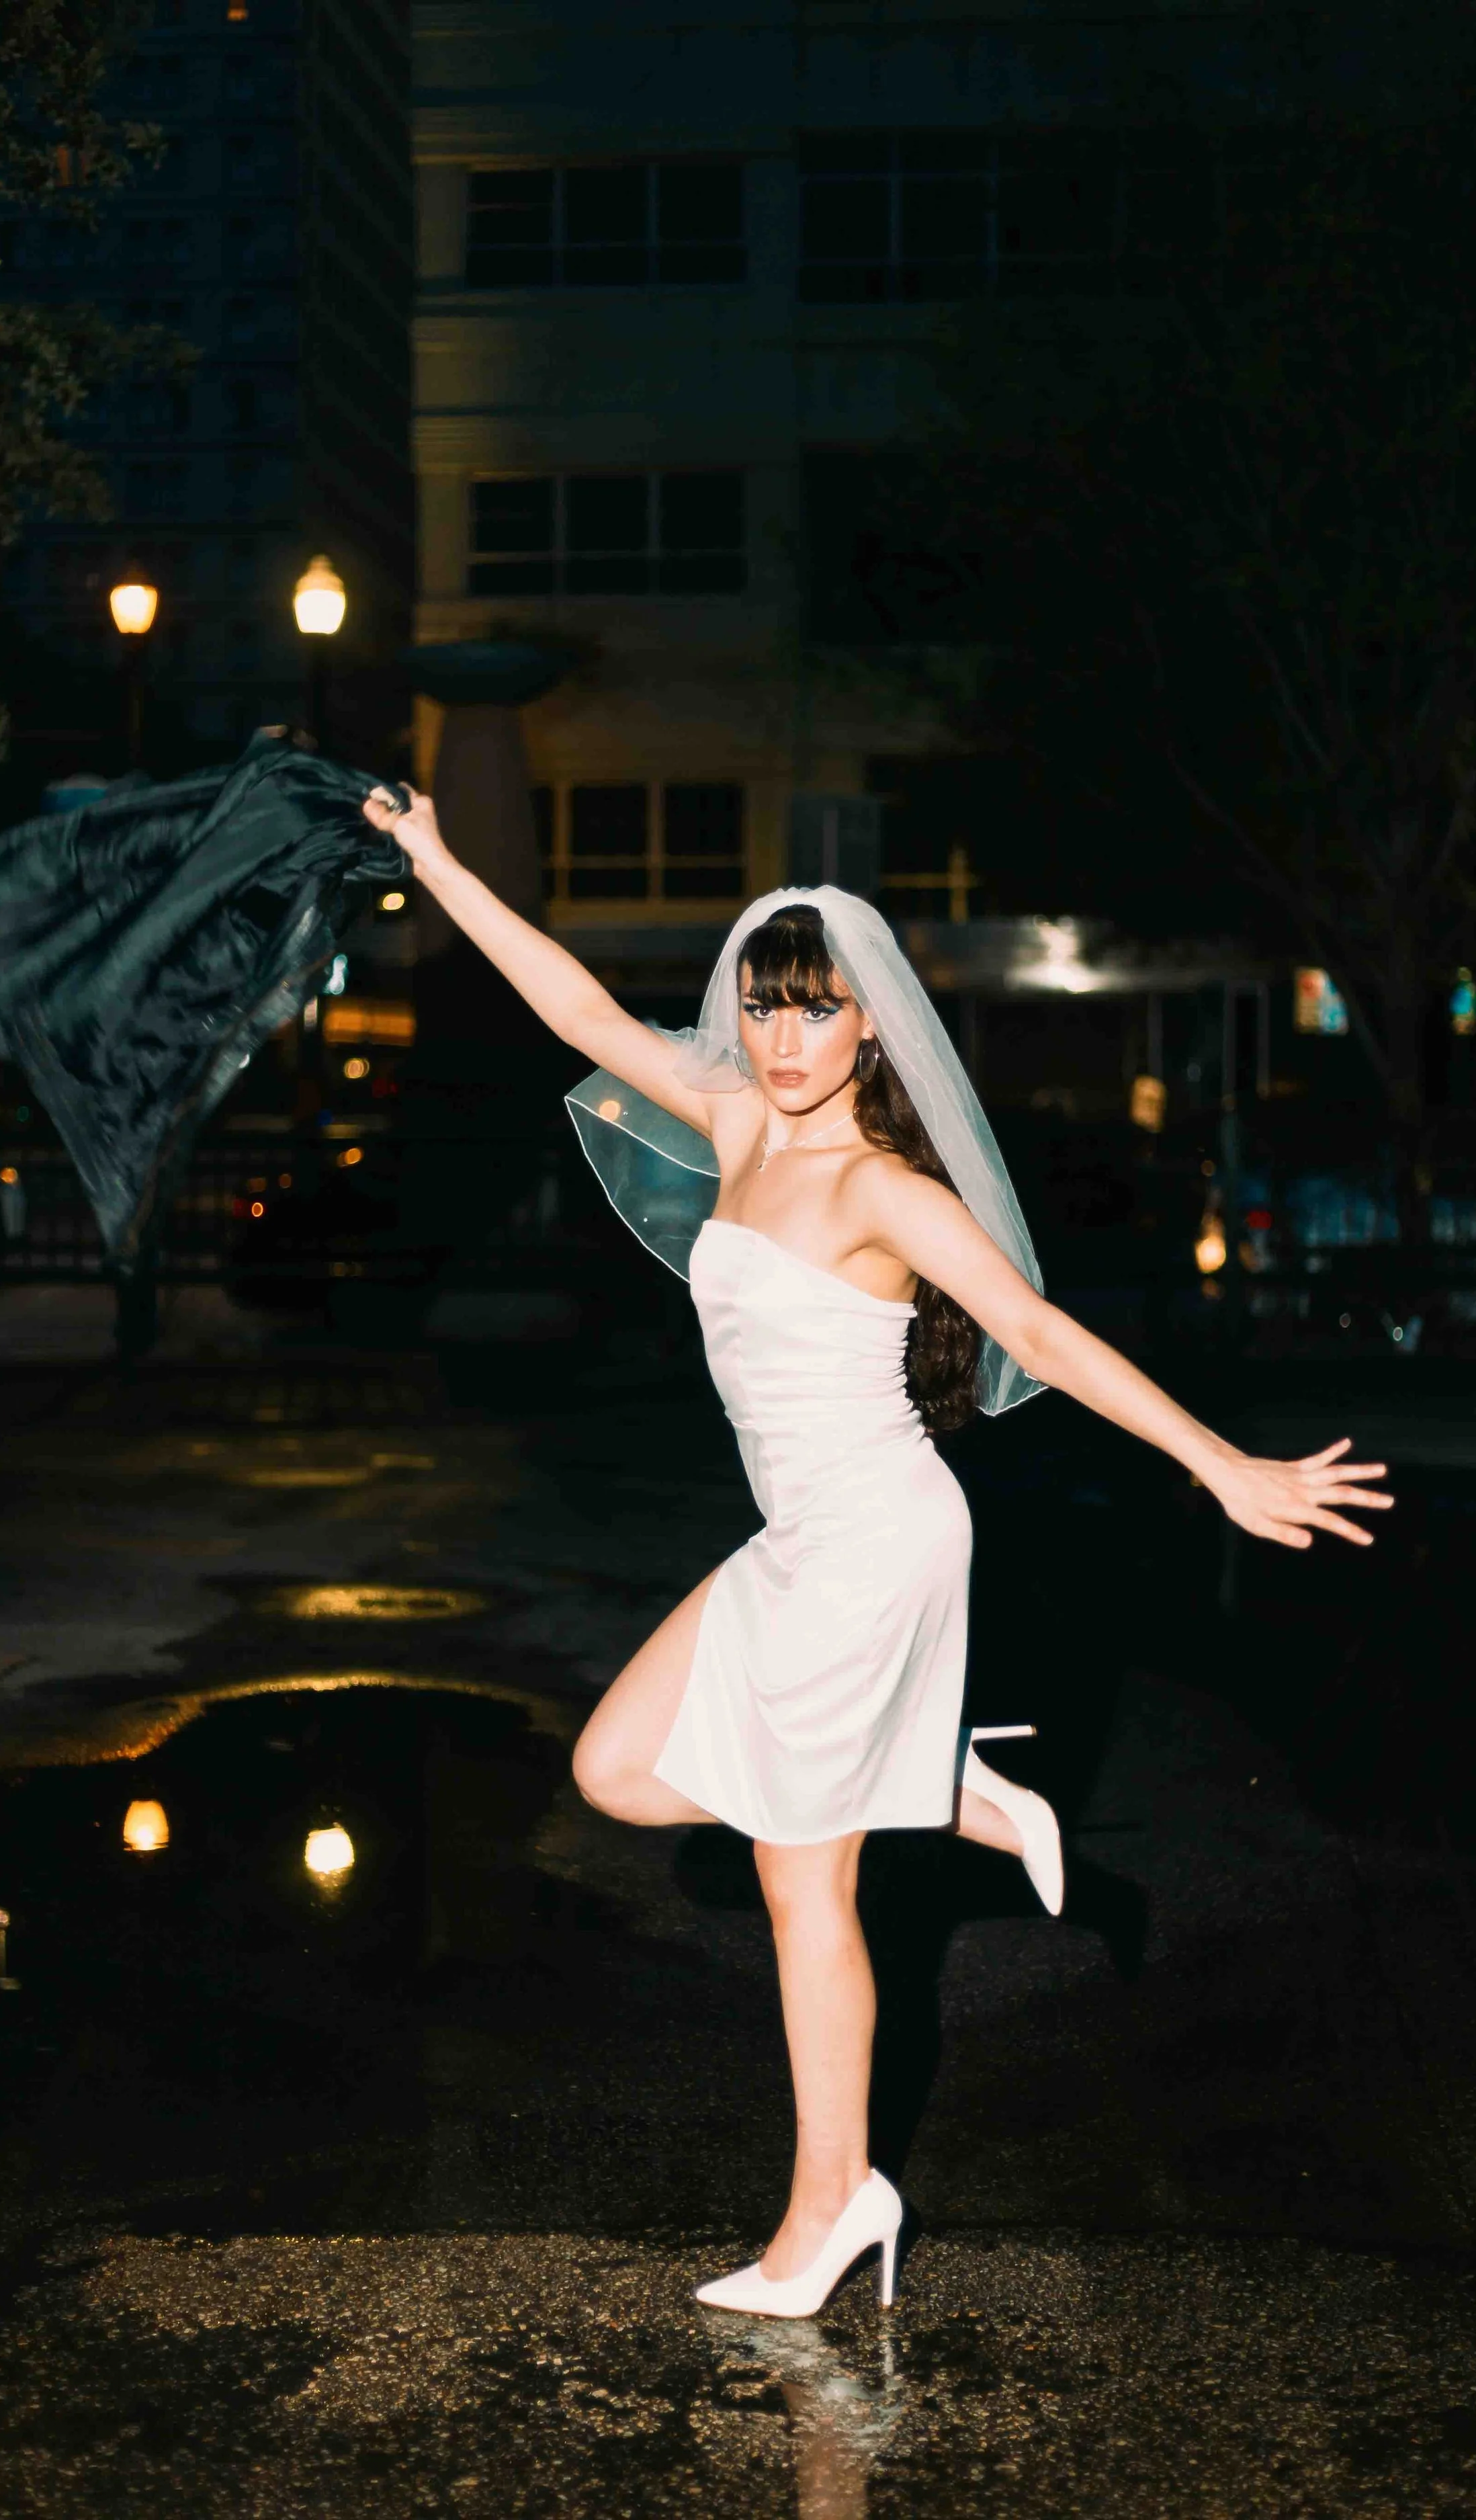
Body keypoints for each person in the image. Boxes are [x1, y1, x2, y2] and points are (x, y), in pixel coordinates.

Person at [362, 786, 1391, 2319]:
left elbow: (1036, 1328)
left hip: (878, 1537)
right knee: (616, 1767)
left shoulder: (877, 1188)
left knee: (803, 1890)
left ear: (868, 1025)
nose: (784, 1041)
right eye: (765, 1007)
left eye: (816, 1010)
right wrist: (441, 864)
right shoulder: (731, 1122)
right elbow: (573, 1004)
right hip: (798, 1536)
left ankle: (830, 2208)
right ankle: (945, 1780)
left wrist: (1218, 1463)